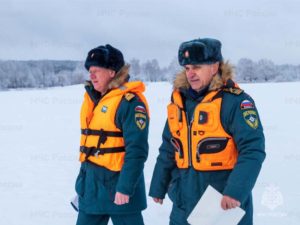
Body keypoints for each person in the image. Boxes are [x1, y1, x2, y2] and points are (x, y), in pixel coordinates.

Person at [149, 38, 266, 225]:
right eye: (187, 68)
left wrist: (234, 192)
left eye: (196, 67)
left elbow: (253, 149)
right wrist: (159, 185)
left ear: (214, 67)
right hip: (183, 200)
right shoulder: (179, 104)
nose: (190, 74)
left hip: (222, 202)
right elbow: (168, 146)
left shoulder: (235, 102)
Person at [75, 44, 149, 225]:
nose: (91, 75)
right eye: (89, 70)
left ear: (112, 72)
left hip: (121, 191)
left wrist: (125, 188)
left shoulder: (130, 102)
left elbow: (137, 150)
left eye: (97, 70)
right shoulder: (93, 100)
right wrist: (81, 185)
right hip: (91, 190)